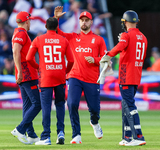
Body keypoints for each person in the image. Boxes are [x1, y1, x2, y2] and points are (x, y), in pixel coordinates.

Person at [54, 6, 107, 144]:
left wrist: (95, 59)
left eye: (86, 20)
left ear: (91, 22)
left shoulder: (99, 40)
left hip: (92, 79)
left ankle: (94, 122)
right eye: (82, 20)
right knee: (72, 104)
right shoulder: (72, 37)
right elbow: (57, 32)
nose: (84, 22)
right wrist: (56, 19)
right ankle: (76, 135)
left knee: (94, 109)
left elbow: (106, 58)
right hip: (74, 76)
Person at [100, 10, 147, 146]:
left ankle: (138, 137)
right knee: (126, 104)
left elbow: (121, 46)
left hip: (126, 75)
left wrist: (107, 55)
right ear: (136, 22)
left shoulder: (126, 36)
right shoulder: (143, 37)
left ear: (125, 22)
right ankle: (127, 137)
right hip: (136, 76)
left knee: (129, 105)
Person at [26, 17, 74, 145]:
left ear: (45, 26)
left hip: (45, 76)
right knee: (60, 104)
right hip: (60, 76)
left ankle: (46, 136)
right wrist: (65, 71)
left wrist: (39, 67)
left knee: (46, 106)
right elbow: (71, 60)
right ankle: (61, 133)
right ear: (57, 26)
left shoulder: (38, 39)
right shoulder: (63, 40)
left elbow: (28, 58)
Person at [10, 11, 41, 145]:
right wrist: (20, 72)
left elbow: (17, 51)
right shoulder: (21, 34)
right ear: (27, 21)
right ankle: (20, 129)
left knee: (27, 105)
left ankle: (32, 135)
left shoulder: (18, 33)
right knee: (37, 104)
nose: (31, 23)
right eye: (30, 20)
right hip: (27, 74)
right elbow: (16, 51)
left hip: (26, 73)